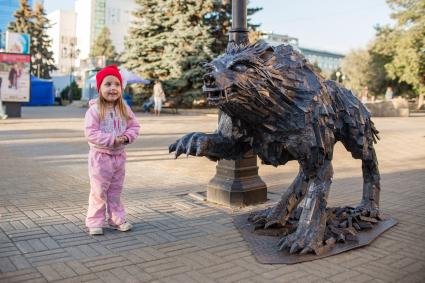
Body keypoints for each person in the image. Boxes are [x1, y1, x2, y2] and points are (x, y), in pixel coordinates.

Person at [84, 65, 140, 235]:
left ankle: (117, 220)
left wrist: (127, 137)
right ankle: (95, 221)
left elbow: (134, 126)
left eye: (116, 84)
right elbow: (90, 133)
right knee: (99, 191)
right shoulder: (94, 110)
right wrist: (111, 139)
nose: (113, 88)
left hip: (119, 157)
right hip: (100, 157)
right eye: (108, 84)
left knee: (115, 191)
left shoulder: (124, 108)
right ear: (99, 88)